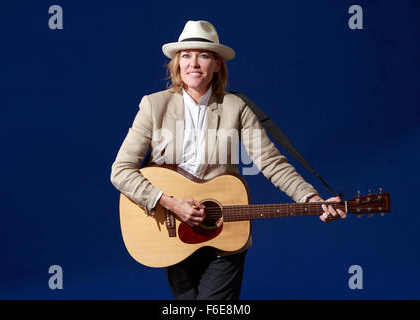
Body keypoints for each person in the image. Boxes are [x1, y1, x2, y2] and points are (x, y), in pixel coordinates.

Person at [110, 20, 346, 300]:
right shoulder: (154, 105)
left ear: (217, 64)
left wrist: (311, 199)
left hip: (225, 233)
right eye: (186, 55)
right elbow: (121, 171)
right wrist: (170, 203)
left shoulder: (236, 108)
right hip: (172, 231)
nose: (193, 63)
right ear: (177, 64)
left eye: (204, 55)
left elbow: (271, 162)